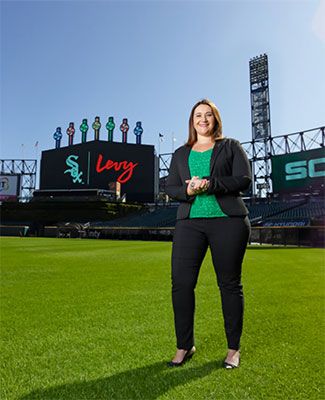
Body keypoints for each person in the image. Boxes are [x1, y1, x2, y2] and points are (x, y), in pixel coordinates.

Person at [165, 99, 251, 369]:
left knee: (228, 284)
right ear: (192, 121)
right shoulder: (180, 153)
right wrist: (188, 191)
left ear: (215, 119)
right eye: (198, 115)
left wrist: (212, 183)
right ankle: (184, 346)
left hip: (228, 221)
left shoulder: (231, 147)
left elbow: (243, 180)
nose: (203, 119)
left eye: (208, 115)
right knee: (181, 284)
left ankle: (232, 349)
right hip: (190, 223)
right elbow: (170, 186)